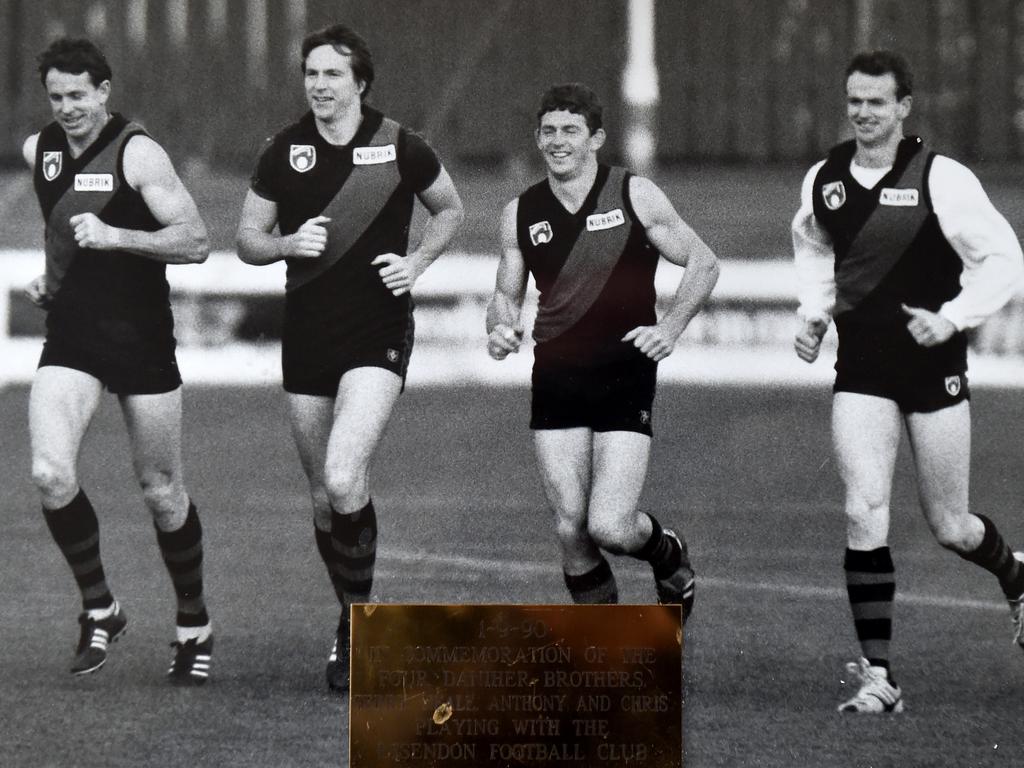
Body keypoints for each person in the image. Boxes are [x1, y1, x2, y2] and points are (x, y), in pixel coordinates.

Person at [792, 50, 1024, 714]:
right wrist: (812, 314)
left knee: (951, 525)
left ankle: (1017, 578)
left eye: (876, 101)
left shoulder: (943, 179)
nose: (863, 112)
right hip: (861, 370)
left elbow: (1005, 261)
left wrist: (952, 319)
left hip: (933, 371)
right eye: (854, 100)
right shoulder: (825, 179)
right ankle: (880, 677)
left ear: (903, 107)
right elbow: (809, 246)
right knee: (863, 507)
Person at [236, 23, 463, 693]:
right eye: (311, 74)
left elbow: (450, 209)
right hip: (307, 334)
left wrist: (417, 261)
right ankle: (348, 620)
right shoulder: (283, 151)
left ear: (359, 82)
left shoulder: (402, 146)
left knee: (342, 476)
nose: (319, 85)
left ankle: (361, 628)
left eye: (332, 74)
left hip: (377, 331)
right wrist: (285, 245)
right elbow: (248, 238)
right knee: (322, 498)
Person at [486, 83, 718, 616]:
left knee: (610, 525)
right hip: (557, 376)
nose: (558, 141)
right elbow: (505, 296)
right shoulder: (520, 213)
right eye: (549, 131)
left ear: (596, 138)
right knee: (571, 529)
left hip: (624, 373)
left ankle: (667, 552)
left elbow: (703, 262)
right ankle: (606, 650)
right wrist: (500, 329)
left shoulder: (634, 194)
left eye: (571, 131)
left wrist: (671, 327)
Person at [24, 38, 214, 684]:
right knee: (50, 473)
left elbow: (196, 241)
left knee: (162, 492)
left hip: (141, 337)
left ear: (104, 92)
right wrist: (49, 283)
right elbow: (58, 226)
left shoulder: (139, 152)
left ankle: (193, 622)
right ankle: (100, 606)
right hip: (72, 337)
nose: (68, 107)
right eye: (57, 97)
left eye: (80, 94)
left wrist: (117, 236)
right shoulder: (40, 150)